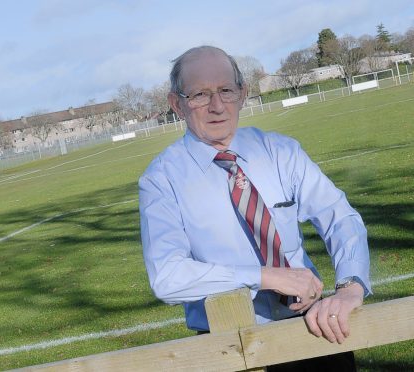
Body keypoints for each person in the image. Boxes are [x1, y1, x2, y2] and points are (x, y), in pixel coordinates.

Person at [138, 46, 371, 370]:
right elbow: (167, 276)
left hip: (314, 332)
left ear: (243, 93)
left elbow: (339, 216)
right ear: (177, 104)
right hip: (230, 347)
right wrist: (265, 277)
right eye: (200, 95)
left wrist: (351, 287)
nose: (217, 106)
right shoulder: (161, 180)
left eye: (225, 91)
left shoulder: (279, 151)